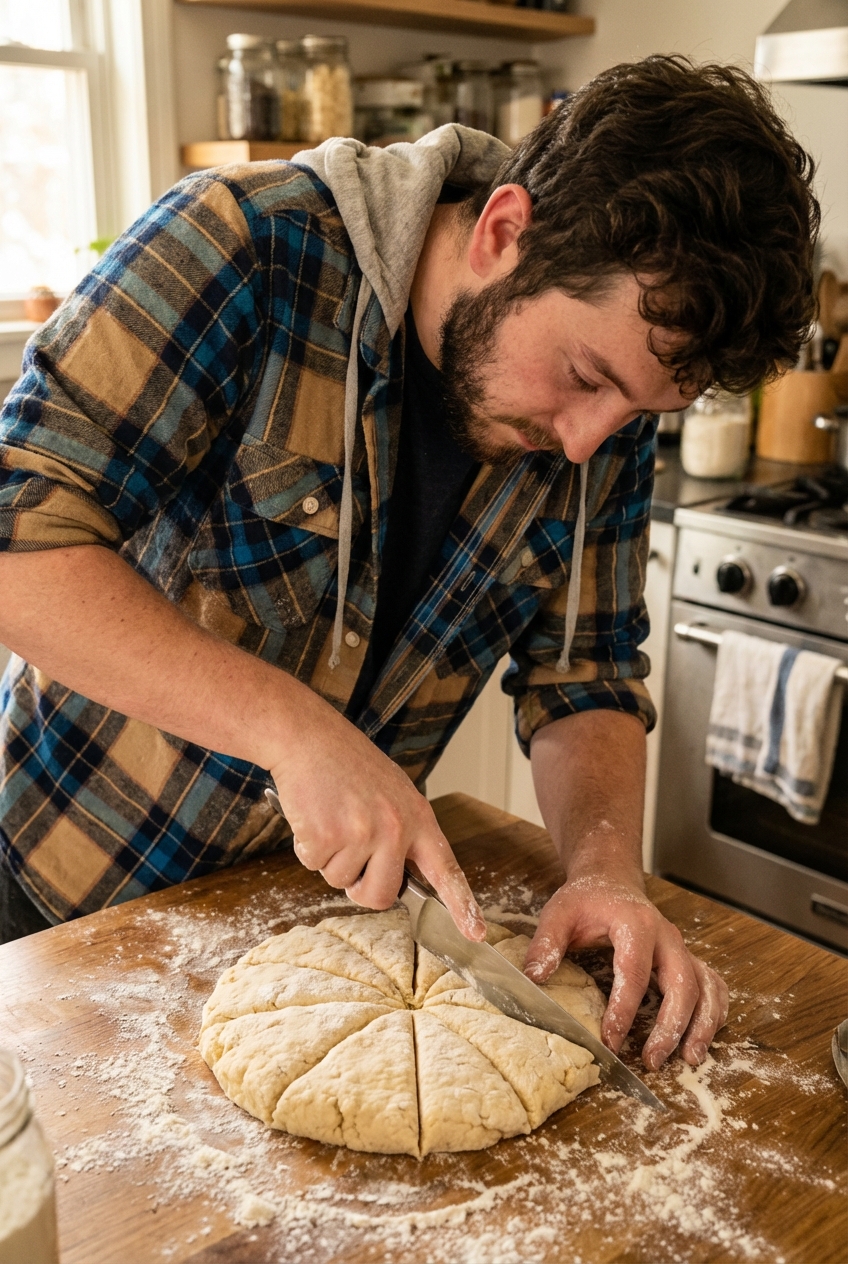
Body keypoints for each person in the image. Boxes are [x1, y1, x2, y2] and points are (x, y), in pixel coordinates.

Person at [0, 56, 817, 1070]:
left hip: (313, 938)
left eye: (634, 414)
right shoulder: (242, 246)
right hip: (55, 902)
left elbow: (584, 668)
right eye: (583, 378)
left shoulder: (601, 418)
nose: (584, 443)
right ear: (502, 231)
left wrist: (606, 868)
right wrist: (290, 728)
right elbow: (18, 544)